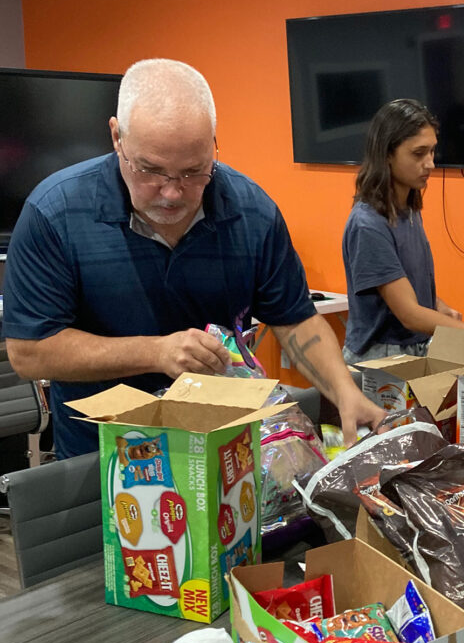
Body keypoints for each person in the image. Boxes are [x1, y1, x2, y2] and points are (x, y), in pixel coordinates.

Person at [2, 58, 383, 458]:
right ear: (116, 137)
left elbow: (295, 320)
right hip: (103, 466)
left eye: (194, 171)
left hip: (226, 460)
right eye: (150, 170)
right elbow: (30, 351)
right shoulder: (54, 214)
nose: (172, 193)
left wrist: (343, 392)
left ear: (214, 145)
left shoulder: (252, 212)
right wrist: (156, 352)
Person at [341, 98, 464, 363]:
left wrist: (438, 305)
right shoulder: (368, 224)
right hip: (381, 358)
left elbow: (405, 284)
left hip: (413, 348)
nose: (430, 164)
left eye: (432, 152)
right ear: (387, 154)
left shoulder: (408, 211)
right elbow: (409, 313)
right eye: (418, 153)